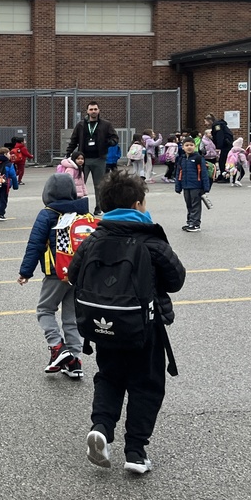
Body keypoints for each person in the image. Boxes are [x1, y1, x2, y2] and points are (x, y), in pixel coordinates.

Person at [69, 170, 185, 475]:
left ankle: (102, 428)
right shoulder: (150, 239)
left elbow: (72, 275)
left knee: (109, 377)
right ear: (137, 204)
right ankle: (135, 450)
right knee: (146, 385)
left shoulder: (95, 238)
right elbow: (176, 279)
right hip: (146, 329)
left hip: (104, 328)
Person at [17, 173, 90, 379]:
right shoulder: (82, 212)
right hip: (79, 273)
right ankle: (74, 361)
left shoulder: (47, 214)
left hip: (56, 273)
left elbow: (35, 245)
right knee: (71, 317)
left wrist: (25, 272)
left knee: (45, 310)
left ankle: (57, 347)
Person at [66, 102, 118, 215]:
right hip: (82, 160)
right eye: (91, 109)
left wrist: (109, 142)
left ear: (98, 110)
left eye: (95, 109)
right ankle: (78, 208)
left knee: (99, 185)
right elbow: (74, 140)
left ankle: (99, 208)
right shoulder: (81, 125)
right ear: (87, 111)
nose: (93, 111)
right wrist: (68, 153)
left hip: (99, 159)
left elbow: (115, 137)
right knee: (79, 184)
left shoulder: (106, 124)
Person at [173, 137, 211, 232]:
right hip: (186, 186)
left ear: (195, 146)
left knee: (195, 205)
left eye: (191, 145)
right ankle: (190, 221)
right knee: (189, 204)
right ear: (183, 147)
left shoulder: (198, 158)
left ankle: (195, 224)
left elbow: (204, 174)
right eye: (186, 145)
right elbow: (178, 173)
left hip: (196, 186)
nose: (189, 147)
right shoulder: (181, 159)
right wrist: (178, 186)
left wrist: (206, 187)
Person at [0, 148, 18, 221]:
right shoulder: (9, 164)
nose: (10, 155)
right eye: (9, 153)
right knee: (3, 199)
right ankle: (1, 215)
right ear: (5, 154)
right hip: (5, 184)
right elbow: (13, 176)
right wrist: (15, 185)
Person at [204, 114, 234, 182]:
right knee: (222, 160)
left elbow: (219, 135)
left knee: (223, 161)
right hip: (226, 144)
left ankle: (225, 177)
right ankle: (222, 175)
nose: (205, 123)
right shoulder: (218, 125)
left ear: (209, 120)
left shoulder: (217, 126)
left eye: (205, 121)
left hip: (225, 145)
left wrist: (218, 146)